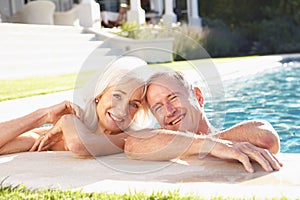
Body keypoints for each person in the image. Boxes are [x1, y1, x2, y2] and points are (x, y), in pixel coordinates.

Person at [124, 71, 282, 173]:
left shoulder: (232, 139)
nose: (169, 111)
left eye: (173, 98)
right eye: (158, 108)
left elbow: (266, 137)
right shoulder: (161, 144)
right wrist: (208, 145)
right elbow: (132, 145)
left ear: (198, 97)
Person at [0, 56, 150, 157]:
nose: (122, 110)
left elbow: (79, 145)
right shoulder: (59, 133)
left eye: (134, 104)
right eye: (117, 96)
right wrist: (44, 115)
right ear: (99, 95)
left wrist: (67, 120)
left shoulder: (130, 137)